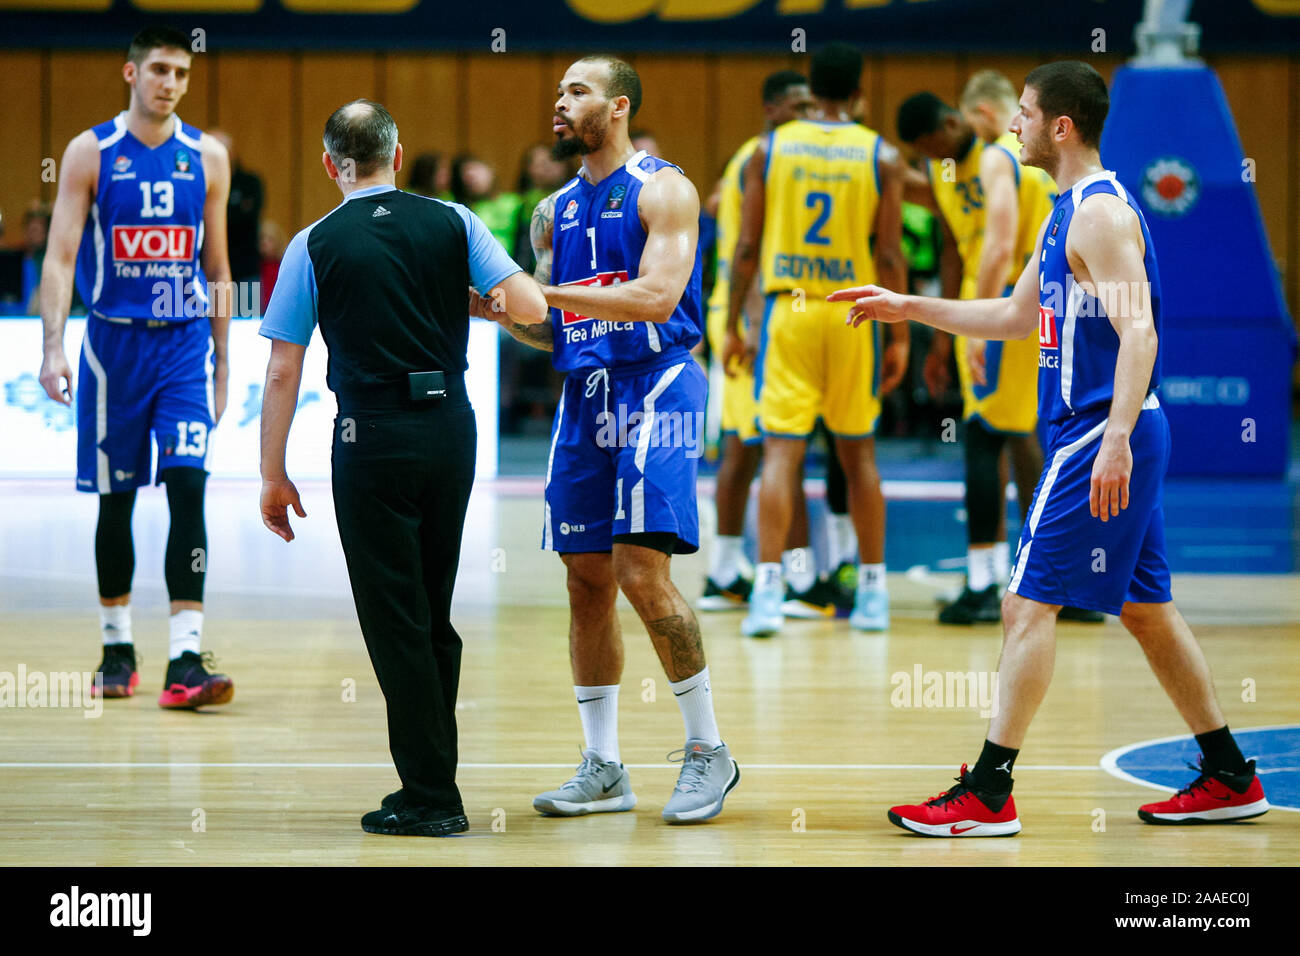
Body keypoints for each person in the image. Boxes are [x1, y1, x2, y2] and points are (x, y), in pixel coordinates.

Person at [830, 61, 1269, 834]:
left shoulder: (1099, 213)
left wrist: (1119, 440)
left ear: (1059, 126)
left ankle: (990, 792)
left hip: (1101, 429)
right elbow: (1009, 315)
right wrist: (907, 306)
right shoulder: (1064, 209)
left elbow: (1139, 329)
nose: (1012, 125)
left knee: (1024, 604)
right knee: (1145, 611)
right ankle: (1230, 773)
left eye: (1025, 114)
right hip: (1103, 429)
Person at [258, 99, 546, 837]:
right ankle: (431, 780)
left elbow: (284, 372)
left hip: (370, 436)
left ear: (332, 164)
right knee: (430, 612)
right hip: (451, 428)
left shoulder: (314, 243)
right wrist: (481, 302)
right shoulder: (454, 220)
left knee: (395, 621)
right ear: (396, 151)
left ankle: (431, 796)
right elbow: (531, 306)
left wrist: (273, 473)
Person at [490, 54, 740, 824]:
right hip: (584, 394)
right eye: (558, 90)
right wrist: (499, 310)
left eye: (577, 92)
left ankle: (709, 752)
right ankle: (605, 766)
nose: (558, 102)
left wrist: (542, 294)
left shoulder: (665, 189)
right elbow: (549, 326)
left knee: (641, 572)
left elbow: (660, 297)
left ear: (619, 105)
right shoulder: (549, 212)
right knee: (585, 579)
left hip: (656, 386)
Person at [38, 25, 234, 709]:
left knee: (189, 486)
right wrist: (53, 345)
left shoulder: (207, 156)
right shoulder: (91, 152)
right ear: (131, 73)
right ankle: (116, 646)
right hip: (111, 347)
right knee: (114, 498)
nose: (170, 83)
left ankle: (187, 656)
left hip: (182, 347)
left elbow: (218, 268)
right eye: (158, 70)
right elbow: (60, 257)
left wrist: (224, 360)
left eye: (181, 73)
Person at [725, 42, 908, 637]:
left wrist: (732, 321)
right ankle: (875, 594)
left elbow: (747, 247)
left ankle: (769, 593)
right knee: (858, 456)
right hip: (855, 313)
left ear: (811, 88)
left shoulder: (768, 150)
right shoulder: (882, 154)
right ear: (860, 93)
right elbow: (889, 253)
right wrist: (900, 335)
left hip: (790, 311)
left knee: (781, 454)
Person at [897, 82, 1058, 625]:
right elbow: (953, 252)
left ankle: (992, 581)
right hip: (997, 307)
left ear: (956, 120)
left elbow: (997, 244)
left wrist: (978, 331)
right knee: (1011, 435)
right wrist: (945, 336)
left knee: (988, 438)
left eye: (932, 145)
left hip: (1010, 306)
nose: (932, 157)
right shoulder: (948, 174)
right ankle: (1052, 580)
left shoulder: (996, 159)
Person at [700, 70, 821, 613]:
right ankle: (794, 578)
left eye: (811, 104)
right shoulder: (764, 157)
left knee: (748, 446)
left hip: (757, 310)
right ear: (771, 109)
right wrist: (746, 325)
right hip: (753, 310)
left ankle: (727, 571)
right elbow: (749, 251)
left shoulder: (760, 157)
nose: (806, 113)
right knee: (775, 444)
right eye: (796, 105)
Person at [208, 128, 262, 314]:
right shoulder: (198, 183)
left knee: (246, 327)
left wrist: (213, 215)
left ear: (231, 153)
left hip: (245, 270)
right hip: (207, 270)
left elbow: (245, 220)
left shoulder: (250, 182)